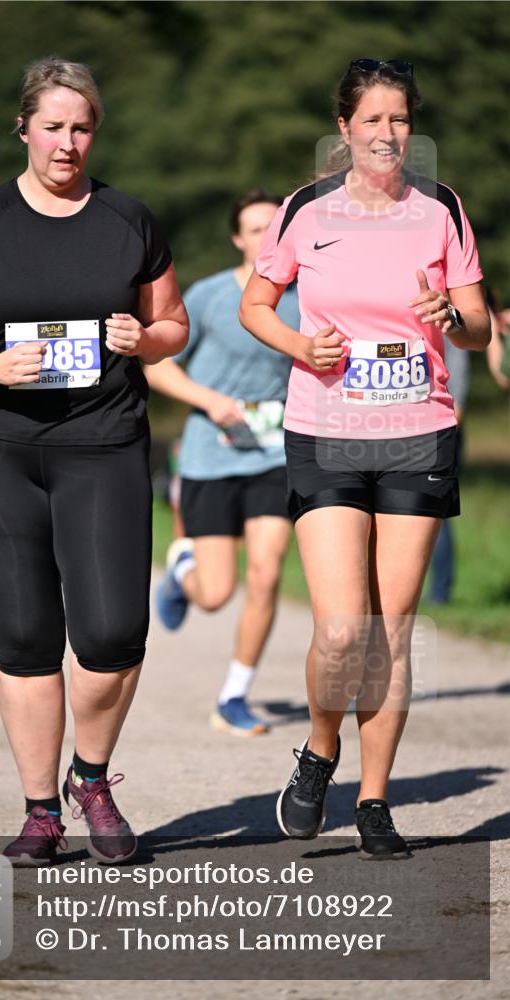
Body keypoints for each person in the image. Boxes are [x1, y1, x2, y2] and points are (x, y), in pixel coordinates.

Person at [0, 58, 188, 865]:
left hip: (102, 442)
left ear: (94, 133)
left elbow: (171, 325)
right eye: (54, 126)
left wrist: (147, 338)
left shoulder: (128, 219)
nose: (69, 142)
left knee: (112, 632)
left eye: (83, 127)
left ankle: (91, 777)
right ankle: (40, 811)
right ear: (25, 129)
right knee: (26, 636)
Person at [240, 59, 490, 857]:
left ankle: (374, 800)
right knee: (343, 628)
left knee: (390, 629)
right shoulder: (305, 211)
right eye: (372, 120)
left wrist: (452, 312)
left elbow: (480, 328)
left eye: (400, 120)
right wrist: (298, 345)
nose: (387, 135)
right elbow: (256, 304)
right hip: (326, 430)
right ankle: (319, 750)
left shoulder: (440, 209)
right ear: (343, 128)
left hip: (418, 430)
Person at [147, 192, 298, 736]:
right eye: (254, 230)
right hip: (211, 455)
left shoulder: (307, 298)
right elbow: (156, 367)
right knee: (216, 594)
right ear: (238, 238)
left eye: (273, 229)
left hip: (274, 454)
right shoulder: (209, 296)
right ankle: (182, 573)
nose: (265, 239)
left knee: (266, 572)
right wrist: (208, 400)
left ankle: (234, 695)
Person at [428, 339, 469, 603]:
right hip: (402, 429)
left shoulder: (447, 314)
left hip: (440, 430)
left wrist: (445, 433)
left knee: (436, 513)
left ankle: (439, 594)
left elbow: (459, 385)